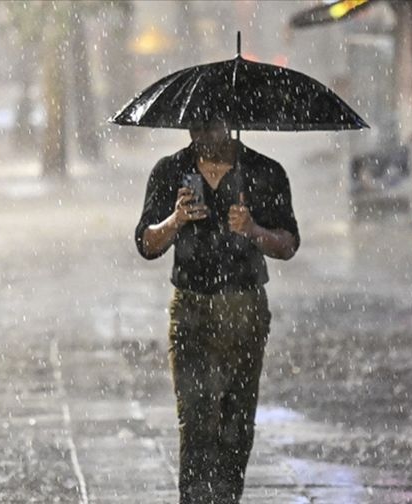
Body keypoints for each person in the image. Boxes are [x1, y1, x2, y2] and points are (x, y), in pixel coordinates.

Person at [134, 118, 299, 504]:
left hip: (244, 307)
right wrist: (175, 220)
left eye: (210, 128)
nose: (202, 138)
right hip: (190, 308)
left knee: (236, 423)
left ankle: (227, 498)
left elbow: (288, 244)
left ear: (230, 124)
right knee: (195, 421)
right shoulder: (170, 171)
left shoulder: (264, 172)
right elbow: (146, 243)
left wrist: (253, 230)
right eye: (193, 129)